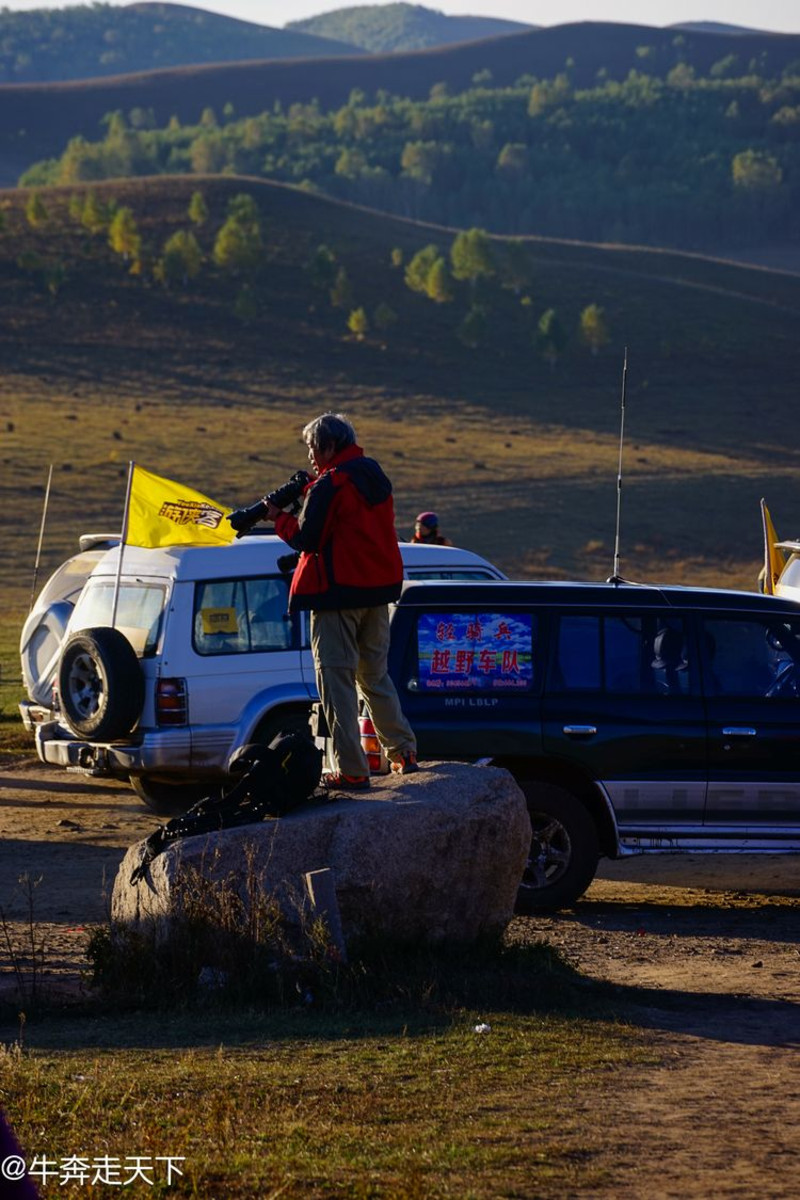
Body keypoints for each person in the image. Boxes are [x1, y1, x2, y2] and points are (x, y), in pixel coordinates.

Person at [267, 412, 418, 790]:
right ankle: (403, 751)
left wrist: (278, 518)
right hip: (377, 593)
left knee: (336, 681)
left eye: (312, 448)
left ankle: (352, 770)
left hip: (336, 596)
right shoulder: (373, 475)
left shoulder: (330, 484)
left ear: (329, 445)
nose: (311, 458)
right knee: (374, 675)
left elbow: (308, 539)